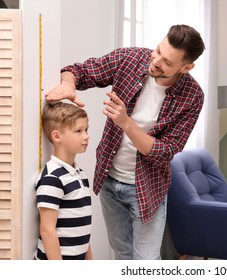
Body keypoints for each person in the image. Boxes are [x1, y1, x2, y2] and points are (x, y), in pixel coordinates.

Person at [45, 24, 205, 260]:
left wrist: (125, 122)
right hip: (110, 182)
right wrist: (69, 85)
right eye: (158, 50)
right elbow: (77, 71)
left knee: (146, 261)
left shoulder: (193, 96)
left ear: (186, 67)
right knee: (122, 256)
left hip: (148, 187)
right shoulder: (130, 59)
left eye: (168, 62)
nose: (157, 61)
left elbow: (165, 151)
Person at [35, 102, 92, 260]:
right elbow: (47, 230)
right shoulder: (52, 178)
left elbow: (82, 229)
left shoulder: (80, 174)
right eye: (78, 131)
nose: (86, 136)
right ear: (57, 136)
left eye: (86, 129)